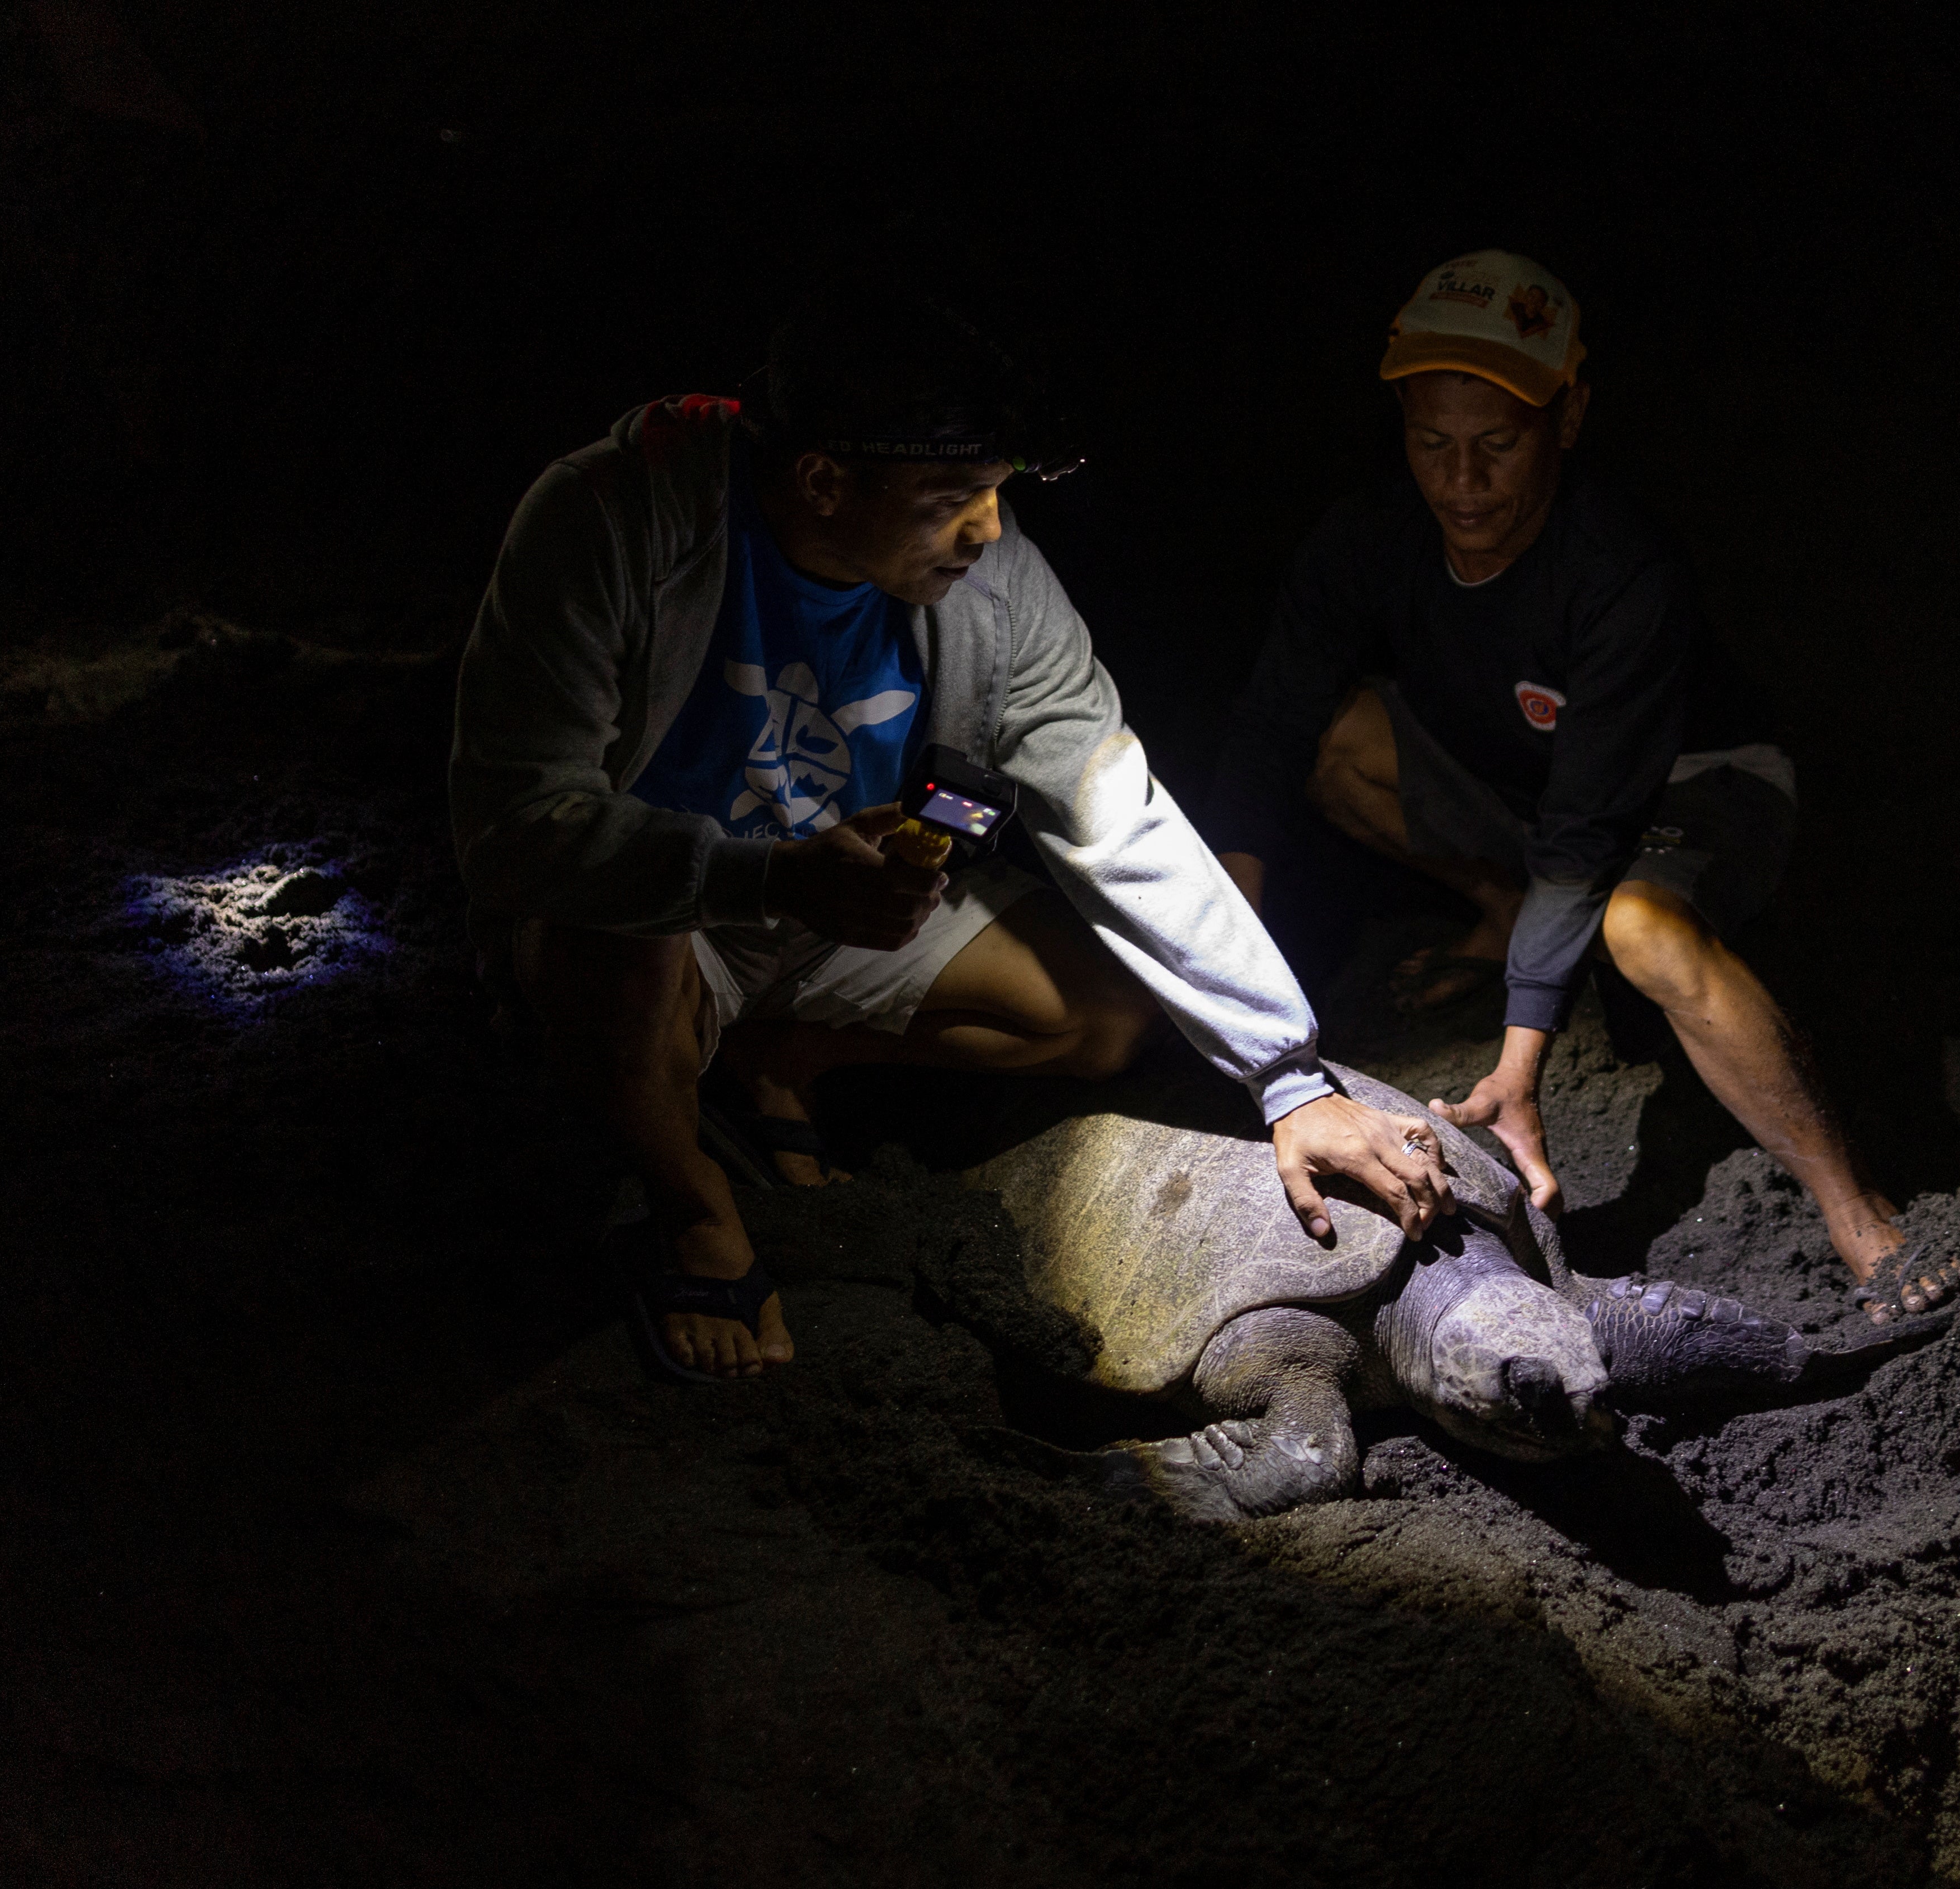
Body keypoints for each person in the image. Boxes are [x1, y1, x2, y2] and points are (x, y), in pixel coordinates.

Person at [450, 282, 1452, 1380]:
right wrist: (764, 877)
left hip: (843, 903)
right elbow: (517, 826)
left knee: (1112, 1008)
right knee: (623, 922)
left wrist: (1287, 1076)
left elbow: (1111, 800)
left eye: (998, 489)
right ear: (825, 480)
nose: (989, 525)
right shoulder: (614, 520)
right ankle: (691, 1206)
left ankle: (778, 1056)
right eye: (952, 495)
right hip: (676, 916)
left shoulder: (997, 575)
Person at [1197, 250, 1960, 1323]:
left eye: (1499, 446)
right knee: (1330, 741)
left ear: (1568, 416)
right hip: (1533, 782)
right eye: (1433, 445)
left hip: (1692, 782)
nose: (1463, 483)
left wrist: (1521, 1071)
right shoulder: (1367, 536)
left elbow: (1587, 829)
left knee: (1640, 929)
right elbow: (1266, 736)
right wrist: (1218, 986)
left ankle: (1857, 1205)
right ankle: (1506, 914)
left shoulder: (1621, 568)